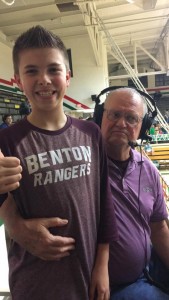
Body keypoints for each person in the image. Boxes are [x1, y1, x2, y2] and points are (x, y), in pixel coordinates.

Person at [0, 25, 118, 300]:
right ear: (18, 80)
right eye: (32, 71)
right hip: (35, 284)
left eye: (53, 69)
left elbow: (105, 202)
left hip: (87, 274)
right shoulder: (7, 143)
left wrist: (102, 265)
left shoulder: (90, 134)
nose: (44, 79)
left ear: (68, 75)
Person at [100, 87, 169, 299]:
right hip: (113, 285)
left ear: (143, 126)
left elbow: (158, 228)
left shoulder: (147, 169)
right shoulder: (85, 166)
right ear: (100, 117)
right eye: (115, 115)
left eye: (131, 118)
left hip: (147, 268)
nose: (122, 123)